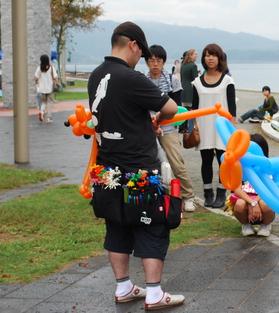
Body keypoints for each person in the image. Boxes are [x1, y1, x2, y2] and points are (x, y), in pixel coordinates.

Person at [87, 21, 184, 310]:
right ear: (133, 45)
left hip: (106, 170)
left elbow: (117, 113)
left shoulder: (95, 75)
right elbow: (169, 109)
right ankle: (154, 293)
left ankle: (124, 287)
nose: (139, 60)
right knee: (152, 225)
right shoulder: (132, 78)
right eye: (140, 54)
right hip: (137, 171)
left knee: (115, 224)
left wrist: (142, 118)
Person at [144, 44, 196, 212]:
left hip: (168, 127)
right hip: (149, 128)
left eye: (158, 61)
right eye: (151, 61)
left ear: (164, 62)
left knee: (176, 163)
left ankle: (188, 197)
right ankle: (159, 196)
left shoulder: (172, 80)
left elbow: (176, 106)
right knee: (152, 164)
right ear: (147, 63)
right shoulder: (143, 81)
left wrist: (163, 120)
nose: (155, 65)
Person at [191, 43, 236, 208]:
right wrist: (194, 128)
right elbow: (194, 109)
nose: (210, 58)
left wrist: (232, 132)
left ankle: (221, 193)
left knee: (224, 162)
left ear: (219, 58)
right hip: (204, 128)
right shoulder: (197, 82)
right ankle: (207, 194)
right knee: (206, 161)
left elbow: (233, 109)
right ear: (204, 58)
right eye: (207, 55)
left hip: (222, 129)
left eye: (214, 55)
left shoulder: (227, 81)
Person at [231, 134, 275, 237]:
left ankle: (266, 225)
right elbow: (237, 190)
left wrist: (256, 203)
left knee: (266, 203)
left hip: (262, 203)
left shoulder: (267, 167)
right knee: (240, 204)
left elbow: (269, 190)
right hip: (246, 204)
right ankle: (246, 225)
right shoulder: (239, 167)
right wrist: (252, 203)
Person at [34, 54, 58, 123]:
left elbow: (36, 78)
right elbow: (55, 77)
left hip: (42, 88)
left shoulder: (39, 68)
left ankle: (42, 111)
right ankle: (48, 118)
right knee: (49, 103)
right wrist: (56, 83)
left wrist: (37, 85)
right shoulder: (51, 68)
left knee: (44, 102)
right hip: (50, 88)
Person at [180, 49, 198, 132]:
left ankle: (183, 128)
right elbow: (196, 80)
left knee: (185, 112)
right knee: (192, 112)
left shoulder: (183, 65)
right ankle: (191, 130)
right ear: (190, 55)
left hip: (183, 88)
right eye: (195, 54)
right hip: (191, 90)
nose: (196, 56)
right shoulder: (193, 66)